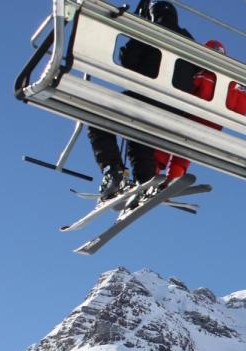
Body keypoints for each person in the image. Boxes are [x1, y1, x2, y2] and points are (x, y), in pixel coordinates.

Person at [86, 0, 198, 202]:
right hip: (175, 113)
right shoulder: (189, 41)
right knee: (138, 136)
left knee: (98, 112)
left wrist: (135, 35)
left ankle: (114, 170)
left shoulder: (150, 30)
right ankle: (145, 182)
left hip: (146, 102)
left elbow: (128, 61)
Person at [154, 39, 246, 181]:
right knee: (185, 153)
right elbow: (242, 109)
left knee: (166, 140)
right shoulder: (233, 84)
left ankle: (152, 174)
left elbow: (188, 89)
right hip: (210, 128)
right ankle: (171, 180)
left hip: (190, 118)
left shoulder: (203, 74)